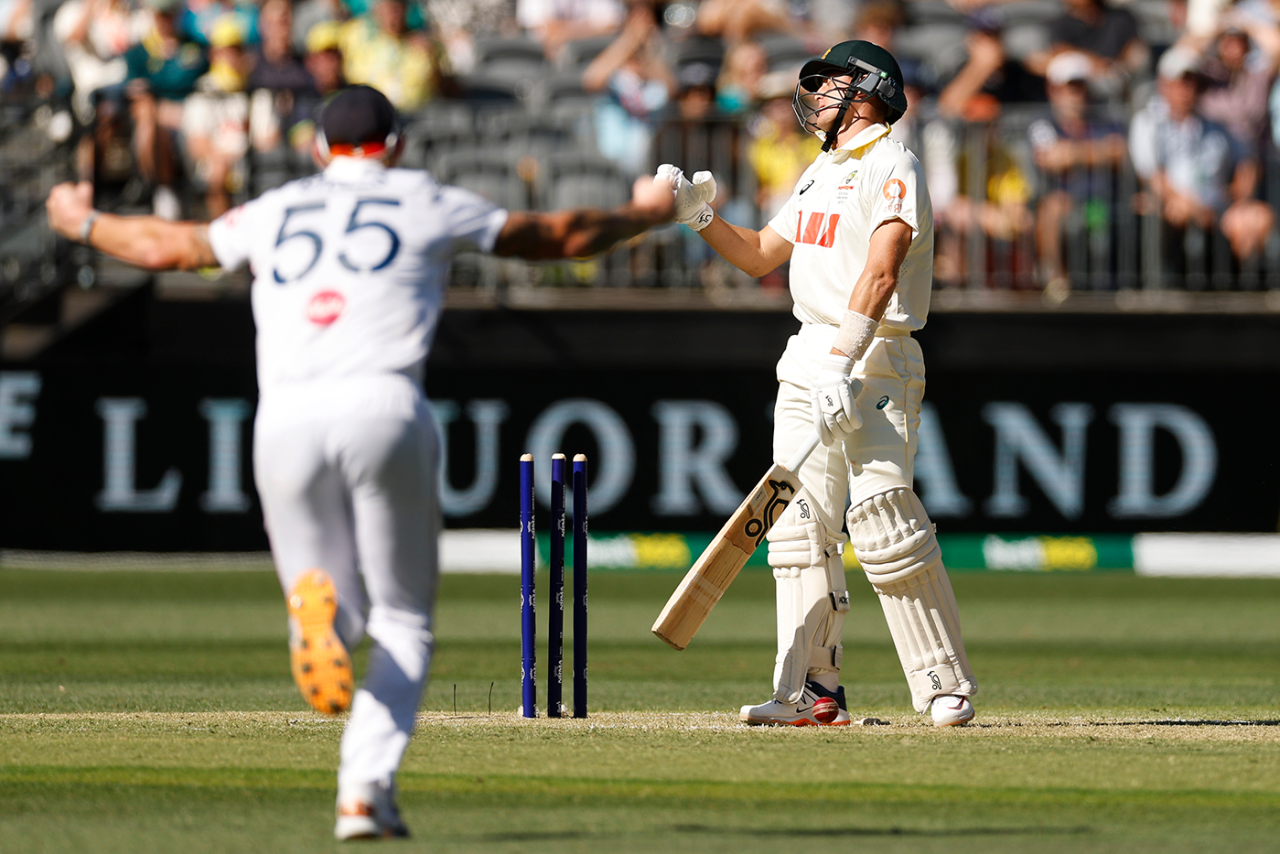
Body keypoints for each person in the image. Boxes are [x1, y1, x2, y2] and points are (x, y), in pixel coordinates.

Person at [45, 84, 675, 840]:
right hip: (383, 405)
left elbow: (166, 247)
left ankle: (322, 631)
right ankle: (363, 790)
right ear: (398, 145)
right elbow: (559, 236)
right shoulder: (423, 196)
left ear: (317, 149)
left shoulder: (276, 208)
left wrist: (78, 219)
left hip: (281, 417)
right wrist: (647, 212)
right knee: (404, 623)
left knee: (334, 610)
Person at [656, 40, 977, 728]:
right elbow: (759, 256)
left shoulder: (895, 164)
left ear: (865, 91)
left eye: (829, 84)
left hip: (874, 356)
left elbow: (883, 269)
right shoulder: (819, 171)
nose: (815, 96)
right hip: (806, 359)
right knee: (798, 528)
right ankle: (812, 691)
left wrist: (843, 357)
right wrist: (700, 217)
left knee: (886, 515)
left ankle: (943, 684)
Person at [1130, 45, 1274, 279]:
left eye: (1192, 81)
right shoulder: (1147, 123)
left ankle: (1239, 286)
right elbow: (1152, 175)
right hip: (1173, 203)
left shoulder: (1216, 125)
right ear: (1163, 85)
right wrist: (1194, 207)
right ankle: (1176, 284)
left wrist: (1238, 197)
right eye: (1180, 81)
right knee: (1174, 211)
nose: (1186, 89)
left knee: (1257, 217)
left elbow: (1247, 162)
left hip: (1215, 207)